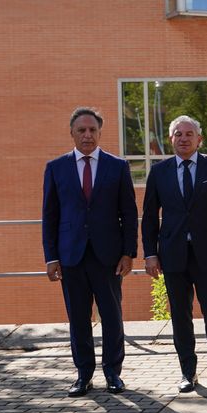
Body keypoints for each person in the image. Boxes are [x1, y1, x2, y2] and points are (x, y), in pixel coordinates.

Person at [42, 107, 137, 397]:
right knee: (78, 319)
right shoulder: (56, 168)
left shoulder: (116, 166)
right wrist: (51, 257)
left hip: (108, 256)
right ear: (72, 133)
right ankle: (83, 375)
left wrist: (128, 253)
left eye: (92, 130)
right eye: (81, 130)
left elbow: (129, 213)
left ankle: (113, 373)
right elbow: (51, 216)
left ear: (99, 132)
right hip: (71, 256)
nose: (87, 135)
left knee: (112, 316)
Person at [142, 116, 207, 392]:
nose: (183, 138)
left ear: (199, 139)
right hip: (172, 255)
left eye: (189, 134)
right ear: (170, 139)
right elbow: (150, 217)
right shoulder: (159, 172)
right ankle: (188, 372)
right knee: (180, 316)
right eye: (177, 134)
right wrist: (150, 253)